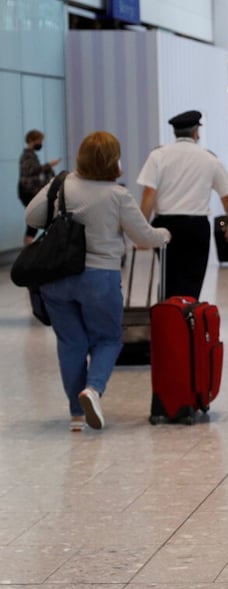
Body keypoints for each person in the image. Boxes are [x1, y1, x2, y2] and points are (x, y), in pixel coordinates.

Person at [26, 132, 171, 431]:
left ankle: (76, 415)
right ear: (113, 161)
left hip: (56, 278)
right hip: (99, 278)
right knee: (108, 338)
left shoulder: (61, 184)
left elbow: (33, 215)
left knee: (71, 343)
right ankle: (93, 389)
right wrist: (164, 235)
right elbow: (143, 237)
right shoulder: (117, 195)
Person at [138, 110, 228, 300]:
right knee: (192, 282)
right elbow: (227, 196)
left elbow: (148, 194)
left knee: (169, 280)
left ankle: (169, 321)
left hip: (164, 226)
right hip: (196, 228)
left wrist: (142, 231)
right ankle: (187, 321)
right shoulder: (209, 159)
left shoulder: (157, 156)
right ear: (196, 133)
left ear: (175, 132)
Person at [18, 129, 61, 245]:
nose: (40, 143)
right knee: (34, 220)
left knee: (34, 222)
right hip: (28, 192)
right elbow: (31, 171)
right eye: (39, 140)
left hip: (30, 190)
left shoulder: (31, 155)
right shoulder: (27, 156)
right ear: (32, 140)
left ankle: (28, 247)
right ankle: (28, 248)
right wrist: (49, 165)